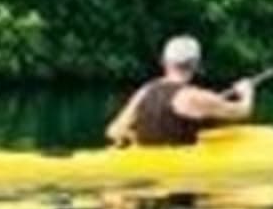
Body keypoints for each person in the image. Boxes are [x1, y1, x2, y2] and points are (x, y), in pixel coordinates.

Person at [105, 35, 255, 147]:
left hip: (145, 163)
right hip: (178, 174)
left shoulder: (146, 90)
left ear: (164, 61)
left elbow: (113, 131)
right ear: (195, 65)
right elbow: (242, 111)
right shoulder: (195, 97)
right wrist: (246, 92)